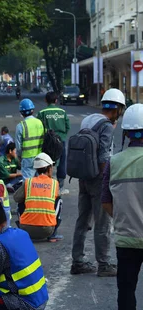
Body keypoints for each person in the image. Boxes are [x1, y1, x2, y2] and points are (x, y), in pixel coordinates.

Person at [101, 103, 143, 310]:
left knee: (126, 291)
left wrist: (125, 218)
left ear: (126, 134)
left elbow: (106, 202)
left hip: (127, 239)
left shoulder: (113, 163)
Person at [71, 88, 125, 277]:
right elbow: (103, 155)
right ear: (117, 108)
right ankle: (104, 264)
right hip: (98, 177)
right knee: (102, 222)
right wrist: (106, 180)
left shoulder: (89, 119)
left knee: (82, 219)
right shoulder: (107, 126)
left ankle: (77, 261)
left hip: (83, 175)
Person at [13, 153, 63, 242]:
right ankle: (53, 235)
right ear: (49, 168)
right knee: (59, 200)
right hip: (47, 230)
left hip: (26, 229)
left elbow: (16, 198)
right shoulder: (54, 183)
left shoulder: (28, 182)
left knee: (22, 199)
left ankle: (21, 230)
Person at [37, 91, 70, 193]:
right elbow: (67, 127)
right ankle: (60, 188)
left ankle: (46, 186)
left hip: (48, 141)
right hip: (61, 140)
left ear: (46, 100)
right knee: (62, 162)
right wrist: (62, 136)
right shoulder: (62, 112)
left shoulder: (42, 113)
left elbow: (39, 127)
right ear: (56, 100)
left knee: (47, 162)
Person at [15, 99, 45, 179]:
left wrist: (19, 157)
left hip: (27, 158)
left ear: (21, 112)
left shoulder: (20, 126)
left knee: (28, 184)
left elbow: (18, 147)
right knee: (40, 182)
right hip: (39, 156)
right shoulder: (40, 122)